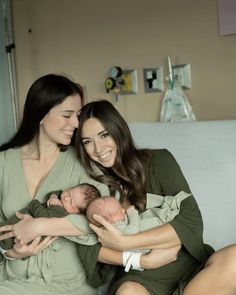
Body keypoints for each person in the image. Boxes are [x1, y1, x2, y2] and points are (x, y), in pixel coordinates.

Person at [74, 99, 236, 295]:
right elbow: (87, 246)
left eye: (104, 135)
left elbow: (191, 222)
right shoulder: (93, 186)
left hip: (190, 266)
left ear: (119, 130)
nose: (98, 149)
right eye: (87, 142)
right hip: (141, 277)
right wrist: (138, 260)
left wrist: (124, 242)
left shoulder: (159, 161)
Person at [0, 74, 110, 295]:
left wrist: (38, 226)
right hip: (10, 280)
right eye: (67, 115)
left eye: (78, 115)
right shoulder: (3, 162)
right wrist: (12, 253)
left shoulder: (83, 162)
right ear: (40, 114)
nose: (76, 124)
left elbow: (103, 220)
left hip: (66, 286)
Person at [0, 183, 101, 250]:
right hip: (21, 225)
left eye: (71, 202)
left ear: (77, 213)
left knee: (4, 235)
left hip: (24, 236)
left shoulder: (62, 213)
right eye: (69, 192)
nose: (65, 198)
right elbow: (58, 192)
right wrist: (53, 196)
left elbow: (42, 217)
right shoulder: (62, 200)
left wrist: (34, 204)